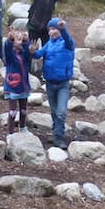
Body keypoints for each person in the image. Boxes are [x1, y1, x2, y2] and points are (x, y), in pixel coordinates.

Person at [33, 18, 75, 148]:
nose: (51, 32)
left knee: (61, 112)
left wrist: (63, 28)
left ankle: (59, 137)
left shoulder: (67, 43)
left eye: (54, 29)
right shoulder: (49, 44)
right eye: (50, 29)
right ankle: (56, 133)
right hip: (50, 83)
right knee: (54, 111)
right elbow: (38, 54)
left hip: (63, 83)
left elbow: (68, 38)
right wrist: (32, 51)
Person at [26, 0, 94, 49]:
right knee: (30, 47)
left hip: (45, 28)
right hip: (33, 26)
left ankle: (46, 61)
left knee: (47, 48)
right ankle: (28, 60)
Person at [2, 28, 32, 134]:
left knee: (24, 110)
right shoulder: (10, 56)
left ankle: (22, 127)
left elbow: (29, 53)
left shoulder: (24, 54)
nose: (19, 41)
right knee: (13, 111)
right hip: (13, 87)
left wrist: (26, 41)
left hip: (23, 86)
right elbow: (7, 48)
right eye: (17, 39)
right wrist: (10, 39)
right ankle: (10, 132)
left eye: (20, 39)